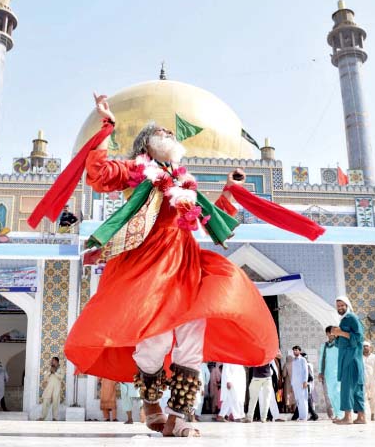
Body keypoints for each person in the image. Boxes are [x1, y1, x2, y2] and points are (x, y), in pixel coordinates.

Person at [34, 95, 322, 438]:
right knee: (154, 342)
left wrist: (230, 193)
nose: (171, 135)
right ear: (148, 144)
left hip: (186, 263)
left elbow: (209, 219)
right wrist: (107, 127)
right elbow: (98, 175)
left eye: (172, 134)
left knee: (191, 336)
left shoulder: (183, 182)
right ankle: (152, 403)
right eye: (163, 133)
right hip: (149, 266)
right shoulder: (137, 170)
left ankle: (182, 414)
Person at [331, 296, 366, 425]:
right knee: (356, 388)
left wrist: (341, 333)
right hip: (349, 358)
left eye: (342, 305)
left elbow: (359, 337)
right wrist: (336, 335)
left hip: (351, 359)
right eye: (338, 306)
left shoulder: (351, 318)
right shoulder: (344, 320)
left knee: (347, 387)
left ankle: (347, 417)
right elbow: (341, 343)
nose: (340, 308)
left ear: (347, 305)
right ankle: (361, 417)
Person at [318, 326, 342, 420]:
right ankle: (337, 414)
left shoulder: (340, 344)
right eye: (331, 332)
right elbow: (321, 360)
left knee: (337, 392)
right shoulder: (324, 346)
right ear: (327, 334)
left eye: (335, 332)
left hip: (338, 372)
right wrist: (320, 372)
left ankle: (341, 414)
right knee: (331, 394)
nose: (333, 334)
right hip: (328, 373)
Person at [362, 341, 375, 421]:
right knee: (363, 398)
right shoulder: (360, 357)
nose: (365, 348)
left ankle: (373, 414)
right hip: (363, 381)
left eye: (366, 346)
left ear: (370, 347)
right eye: (363, 346)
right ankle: (363, 415)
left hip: (374, 380)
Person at [289, 346, 310, 421]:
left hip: (302, 383)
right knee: (298, 400)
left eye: (296, 350)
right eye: (294, 351)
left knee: (303, 399)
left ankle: (304, 417)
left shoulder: (303, 360)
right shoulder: (293, 361)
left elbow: (305, 371)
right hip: (295, 383)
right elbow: (293, 373)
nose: (295, 352)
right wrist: (292, 384)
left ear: (300, 351)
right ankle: (301, 416)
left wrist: (305, 381)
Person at [41, 357, 64, 421]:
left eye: (53, 361)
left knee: (55, 402)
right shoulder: (49, 369)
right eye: (51, 361)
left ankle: (55, 418)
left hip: (56, 388)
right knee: (45, 401)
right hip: (49, 387)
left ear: (57, 362)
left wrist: (55, 373)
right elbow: (45, 377)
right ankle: (42, 417)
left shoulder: (61, 369)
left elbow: (61, 377)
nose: (52, 362)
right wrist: (50, 372)